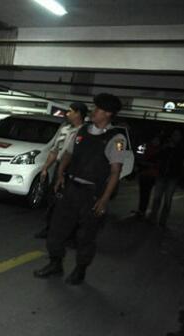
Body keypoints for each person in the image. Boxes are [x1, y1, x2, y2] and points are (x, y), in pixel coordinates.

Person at [34, 93, 126, 285]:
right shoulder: (82, 130)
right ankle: (55, 263)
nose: (94, 111)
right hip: (71, 188)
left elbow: (115, 171)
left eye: (98, 109)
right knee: (57, 229)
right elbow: (68, 153)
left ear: (108, 113)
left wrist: (104, 199)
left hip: (91, 194)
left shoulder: (116, 138)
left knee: (85, 236)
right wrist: (60, 174)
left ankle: (80, 270)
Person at [34, 102, 88, 238]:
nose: (67, 114)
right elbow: (55, 150)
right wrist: (45, 168)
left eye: (70, 111)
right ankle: (49, 228)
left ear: (78, 113)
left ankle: (71, 234)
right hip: (60, 167)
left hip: (76, 170)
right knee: (53, 198)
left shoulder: (86, 132)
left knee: (72, 202)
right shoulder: (64, 129)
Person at [147, 128, 184, 227]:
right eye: (174, 134)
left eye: (177, 135)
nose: (175, 137)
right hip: (161, 175)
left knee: (168, 199)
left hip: (173, 177)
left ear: (180, 137)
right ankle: (153, 218)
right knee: (157, 198)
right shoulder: (166, 146)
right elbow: (156, 157)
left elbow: (182, 162)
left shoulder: (181, 148)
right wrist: (164, 148)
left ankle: (162, 221)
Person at [131, 131, 162, 218]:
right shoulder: (146, 146)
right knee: (143, 193)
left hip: (151, 175)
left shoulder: (159, 149)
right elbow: (139, 158)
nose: (156, 141)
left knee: (146, 193)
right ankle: (141, 210)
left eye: (158, 140)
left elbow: (158, 163)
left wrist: (147, 164)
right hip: (144, 173)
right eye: (155, 139)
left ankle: (142, 211)